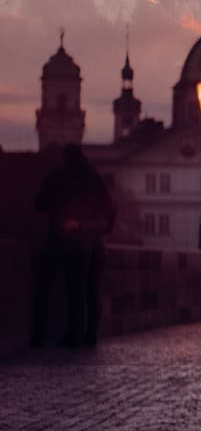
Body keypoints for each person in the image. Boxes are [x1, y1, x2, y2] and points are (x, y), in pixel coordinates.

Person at [31, 144, 115, 348]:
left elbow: (39, 203)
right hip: (89, 243)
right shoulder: (95, 179)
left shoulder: (57, 177)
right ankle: (85, 335)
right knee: (84, 291)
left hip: (61, 240)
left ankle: (40, 335)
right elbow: (108, 215)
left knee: (47, 289)